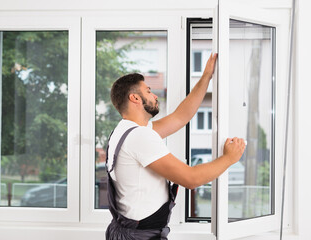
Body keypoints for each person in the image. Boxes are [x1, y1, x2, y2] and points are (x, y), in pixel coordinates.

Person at [105, 53, 246, 240]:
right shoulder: (139, 136)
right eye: (148, 91)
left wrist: (206, 77)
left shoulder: (126, 130)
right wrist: (230, 158)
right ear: (135, 99)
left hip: (133, 232)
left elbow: (181, 117)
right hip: (138, 236)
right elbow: (191, 178)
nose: (154, 95)